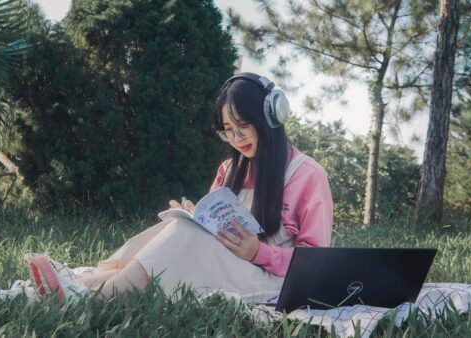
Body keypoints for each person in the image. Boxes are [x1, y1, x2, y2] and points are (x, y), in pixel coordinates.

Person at [27, 72, 333, 303]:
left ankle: (89, 299)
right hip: (226, 261)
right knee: (177, 228)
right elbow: (212, 225)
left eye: (243, 126)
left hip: (269, 277)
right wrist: (194, 216)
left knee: (184, 237)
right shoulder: (229, 169)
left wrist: (260, 253)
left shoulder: (306, 175)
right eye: (228, 131)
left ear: (270, 118)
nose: (237, 138)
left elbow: (317, 264)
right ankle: (85, 284)